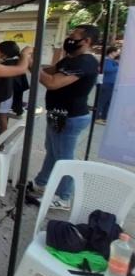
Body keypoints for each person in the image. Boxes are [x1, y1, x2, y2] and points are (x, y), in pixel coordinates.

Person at [33, 25, 100, 211]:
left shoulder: (85, 62)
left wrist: (30, 65)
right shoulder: (71, 59)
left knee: (65, 159)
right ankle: (41, 182)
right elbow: (51, 70)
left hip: (70, 117)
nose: (69, 38)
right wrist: (35, 63)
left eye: (74, 36)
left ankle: (64, 197)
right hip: (57, 114)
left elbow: (53, 82)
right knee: (52, 152)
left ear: (86, 41)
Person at [0, 41, 26, 136]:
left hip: (3, 96)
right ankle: (1, 139)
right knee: (3, 117)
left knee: (1, 118)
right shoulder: (15, 63)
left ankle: (0, 142)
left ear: (4, 54)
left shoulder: (6, 65)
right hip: (8, 96)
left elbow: (0, 84)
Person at [97, 46, 120, 124]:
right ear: (112, 52)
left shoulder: (112, 60)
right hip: (106, 83)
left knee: (108, 102)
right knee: (102, 101)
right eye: (117, 51)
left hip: (111, 84)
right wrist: (118, 67)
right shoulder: (107, 60)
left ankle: (104, 117)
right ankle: (97, 117)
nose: (118, 53)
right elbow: (107, 69)